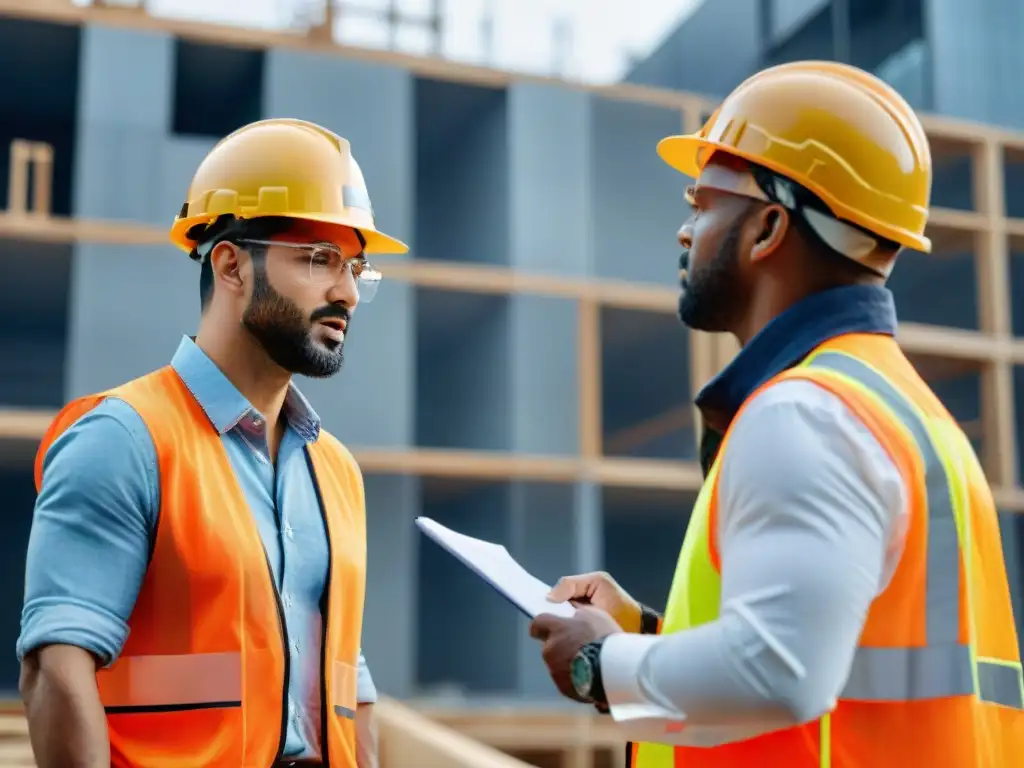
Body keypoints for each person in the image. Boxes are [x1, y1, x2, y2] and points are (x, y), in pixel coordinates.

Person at [529, 61, 1024, 766]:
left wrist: (600, 663)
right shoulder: (905, 413)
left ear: (766, 228)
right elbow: (826, 659)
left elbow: (780, 672)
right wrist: (641, 629)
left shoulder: (806, 413)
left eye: (702, 204)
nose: (683, 231)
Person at [17, 118, 407, 768]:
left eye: (355, 268)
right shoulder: (124, 439)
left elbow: (347, 684)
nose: (346, 292)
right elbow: (56, 669)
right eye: (318, 259)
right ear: (231, 265)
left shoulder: (337, 471)